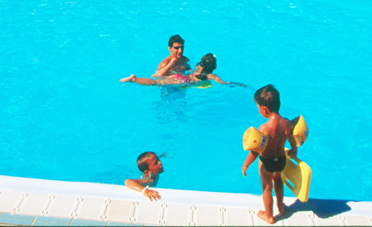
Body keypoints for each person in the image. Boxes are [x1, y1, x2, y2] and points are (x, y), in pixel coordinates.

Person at [241, 84, 299, 225]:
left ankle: (269, 215)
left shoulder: (264, 128)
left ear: (265, 109)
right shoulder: (287, 124)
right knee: (278, 180)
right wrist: (294, 151)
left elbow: (256, 151)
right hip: (281, 160)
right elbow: (293, 140)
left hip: (267, 163)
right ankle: (281, 207)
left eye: (258, 107)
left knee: (267, 188)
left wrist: (246, 164)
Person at [121, 53, 241, 87]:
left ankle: (135, 79)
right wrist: (235, 84)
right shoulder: (211, 76)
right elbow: (224, 83)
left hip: (181, 77)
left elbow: (192, 71)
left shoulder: (198, 68)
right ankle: (134, 79)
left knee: (158, 80)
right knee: (155, 83)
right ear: (214, 67)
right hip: (184, 82)